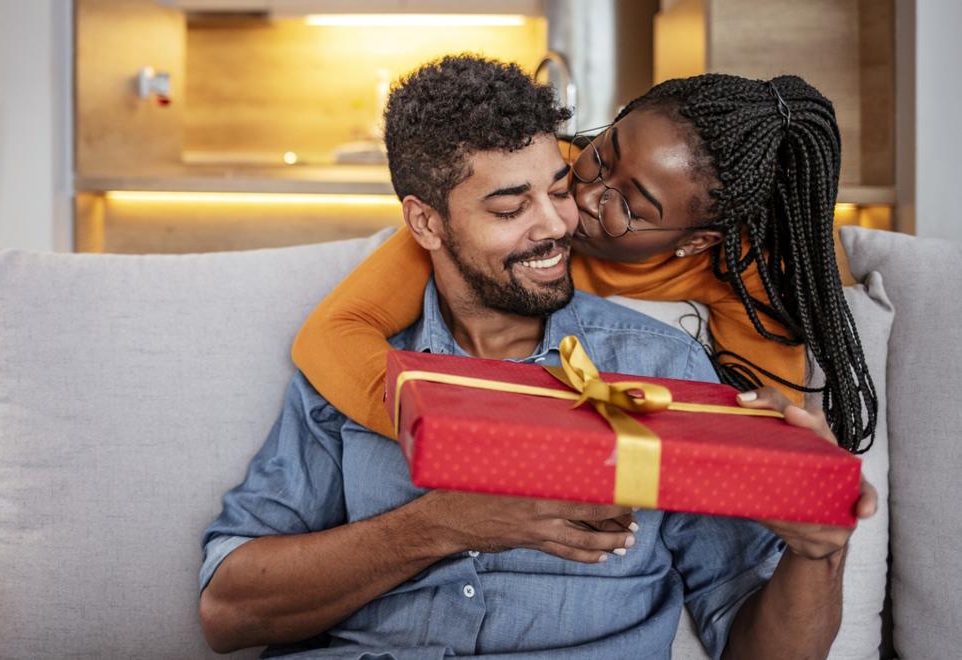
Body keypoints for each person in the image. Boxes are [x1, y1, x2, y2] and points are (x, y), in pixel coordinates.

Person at [198, 55, 875, 659]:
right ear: (427, 223)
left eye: (556, 189)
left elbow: (753, 624)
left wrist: (817, 543)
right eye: (509, 207)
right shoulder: (356, 366)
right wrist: (441, 521)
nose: (563, 219)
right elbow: (228, 612)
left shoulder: (669, 366)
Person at [291, 71, 877, 453]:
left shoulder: (742, 269)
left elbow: (764, 430)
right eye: (602, 155)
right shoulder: (539, 176)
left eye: (630, 206)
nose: (581, 198)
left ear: (696, 242)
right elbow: (333, 335)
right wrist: (461, 432)